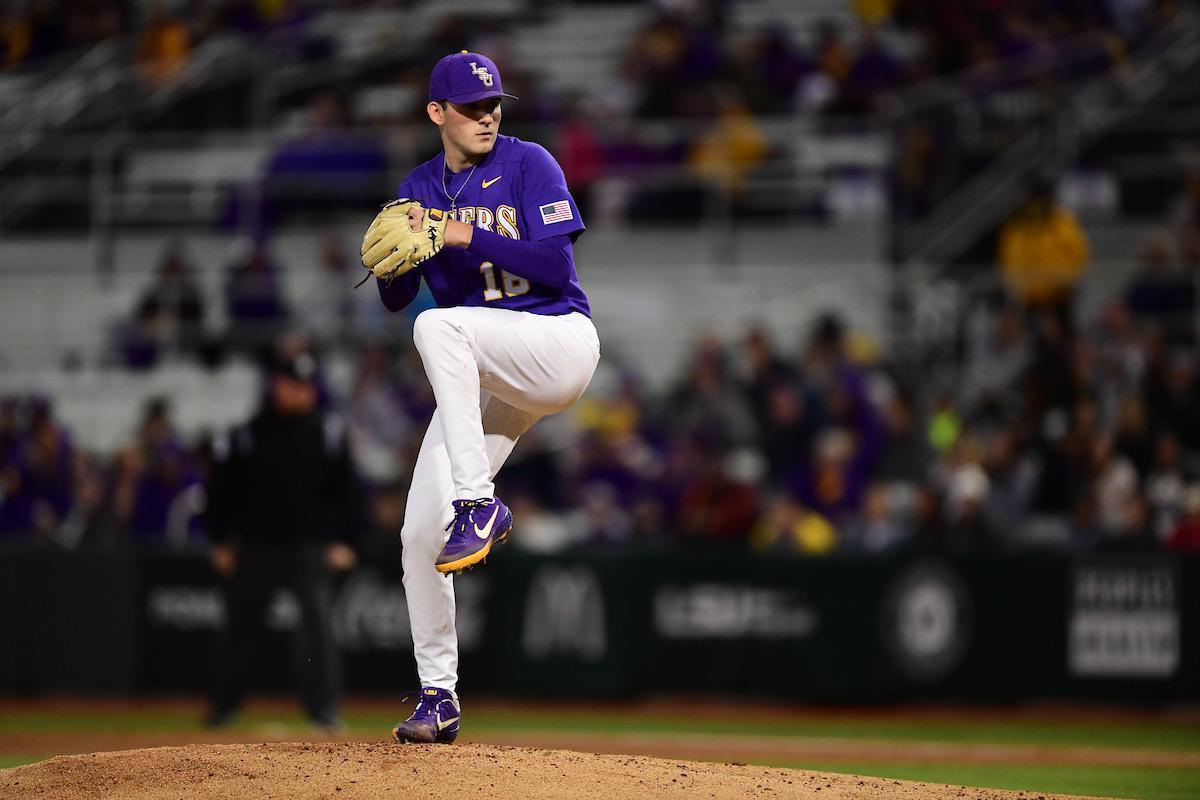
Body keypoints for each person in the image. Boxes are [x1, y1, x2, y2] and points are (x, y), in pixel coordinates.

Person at [366, 51, 600, 745]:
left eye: (494, 102)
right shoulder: (419, 184)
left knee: (439, 327)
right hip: (488, 373)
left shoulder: (530, 164)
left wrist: (462, 231)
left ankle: (478, 503)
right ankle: (439, 697)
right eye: (471, 106)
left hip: (558, 344)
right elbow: (398, 295)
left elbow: (558, 264)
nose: (487, 114)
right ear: (436, 114)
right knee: (415, 535)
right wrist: (388, 261)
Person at [205, 350, 362, 731]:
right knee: (239, 630)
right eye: (293, 384)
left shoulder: (328, 432)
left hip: (309, 548)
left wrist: (346, 540)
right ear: (276, 384)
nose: (301, 393)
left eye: (307, 386)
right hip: (255, 547)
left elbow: (349, 494)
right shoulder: (245, 434)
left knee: (318, 632)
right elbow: (220, 493)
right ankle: (224, 708)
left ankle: (323, 710)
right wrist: (220, 540)